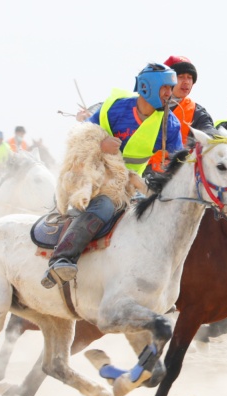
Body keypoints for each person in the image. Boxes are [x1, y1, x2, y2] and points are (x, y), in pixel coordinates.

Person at [42, 62, 182, 289]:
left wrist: (150, 185)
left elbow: (176, 166)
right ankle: (62, 259)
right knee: (104, 207)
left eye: (170, 88)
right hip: (97, 174)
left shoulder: (171, 125)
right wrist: (101, 143)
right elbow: (81, 135)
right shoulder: (114, 108)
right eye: (165, 88)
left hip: (131, 184)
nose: (170, 94)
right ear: (147, 87)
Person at [162, 55, 215, 146]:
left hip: (176, 160)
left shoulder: (197, 113)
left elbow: (210, 132)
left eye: (190, 77)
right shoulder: (147, 105)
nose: (186, 82)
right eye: (181, 76)